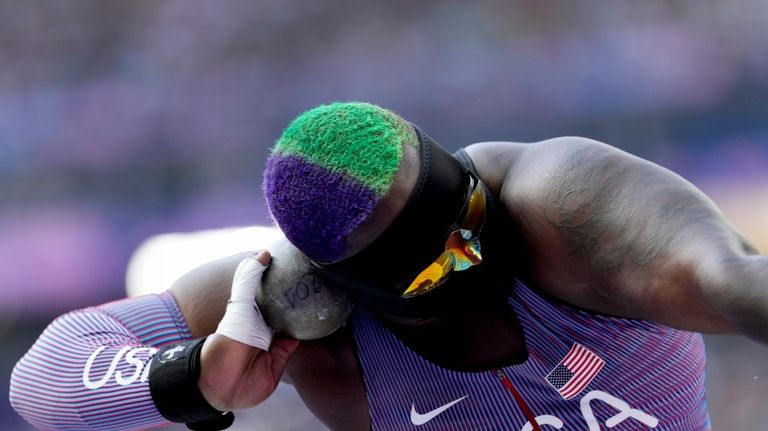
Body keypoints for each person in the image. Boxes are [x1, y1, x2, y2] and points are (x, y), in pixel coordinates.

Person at [9, 101, 766, 431]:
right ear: (349, 287)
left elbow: (734, 279)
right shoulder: (293, 299)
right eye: (440, 270)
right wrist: (193, 378)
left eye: (471, 219)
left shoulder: (566, 202)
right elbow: (42, 381)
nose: (477, 255)